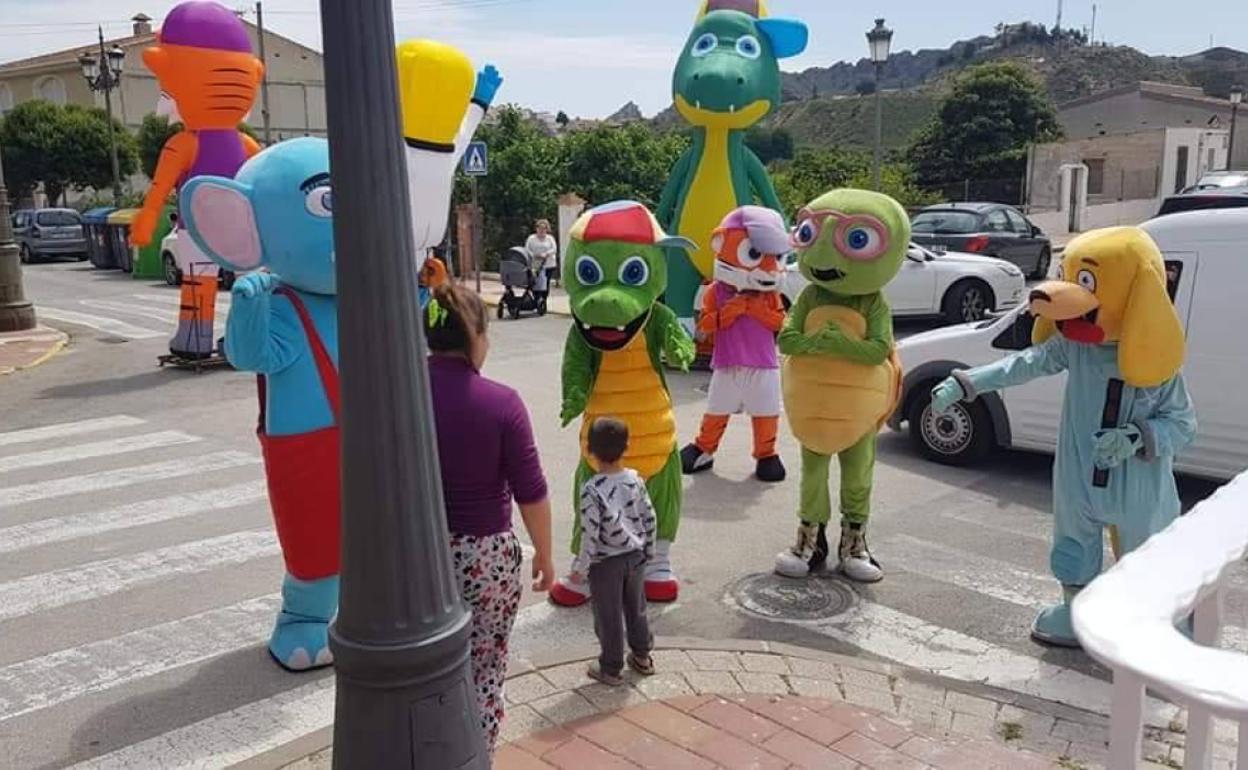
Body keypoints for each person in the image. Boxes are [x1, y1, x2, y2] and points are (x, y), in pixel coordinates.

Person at [423, 282, 555, 751]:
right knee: (484, 664)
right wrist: (545, 554)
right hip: (486, 558)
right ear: (475, 334)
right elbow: (531, 491)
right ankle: (473, 755)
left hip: (418, 553)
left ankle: (427, 747)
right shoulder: (501, 402)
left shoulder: (402, 394)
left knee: (422, 668)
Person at [579, 416, 657, 686]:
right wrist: (649, 548)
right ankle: (643, 656)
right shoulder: (635, 481)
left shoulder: (592, 489)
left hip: (606, 563)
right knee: (637, 607)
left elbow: (590, 532)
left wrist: (581, 567)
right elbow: (649, 516)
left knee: (608, 614)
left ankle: (610, 668)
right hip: (636, 556)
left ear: (589, 449)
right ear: (626, 448)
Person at [525, 218, 559, 300]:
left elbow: (554, 249)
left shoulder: (550, 238)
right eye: (539, 228)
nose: (541, 230)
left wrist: (546, 254)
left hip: (548, 264)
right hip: (535, 264)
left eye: (544, 228)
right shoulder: (531, 238)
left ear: (547, 229)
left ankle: (544, 299)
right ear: (536, 228)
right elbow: (527, 249)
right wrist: (533, 255)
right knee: (535, 281)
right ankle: (536, 298)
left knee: (545, 283)